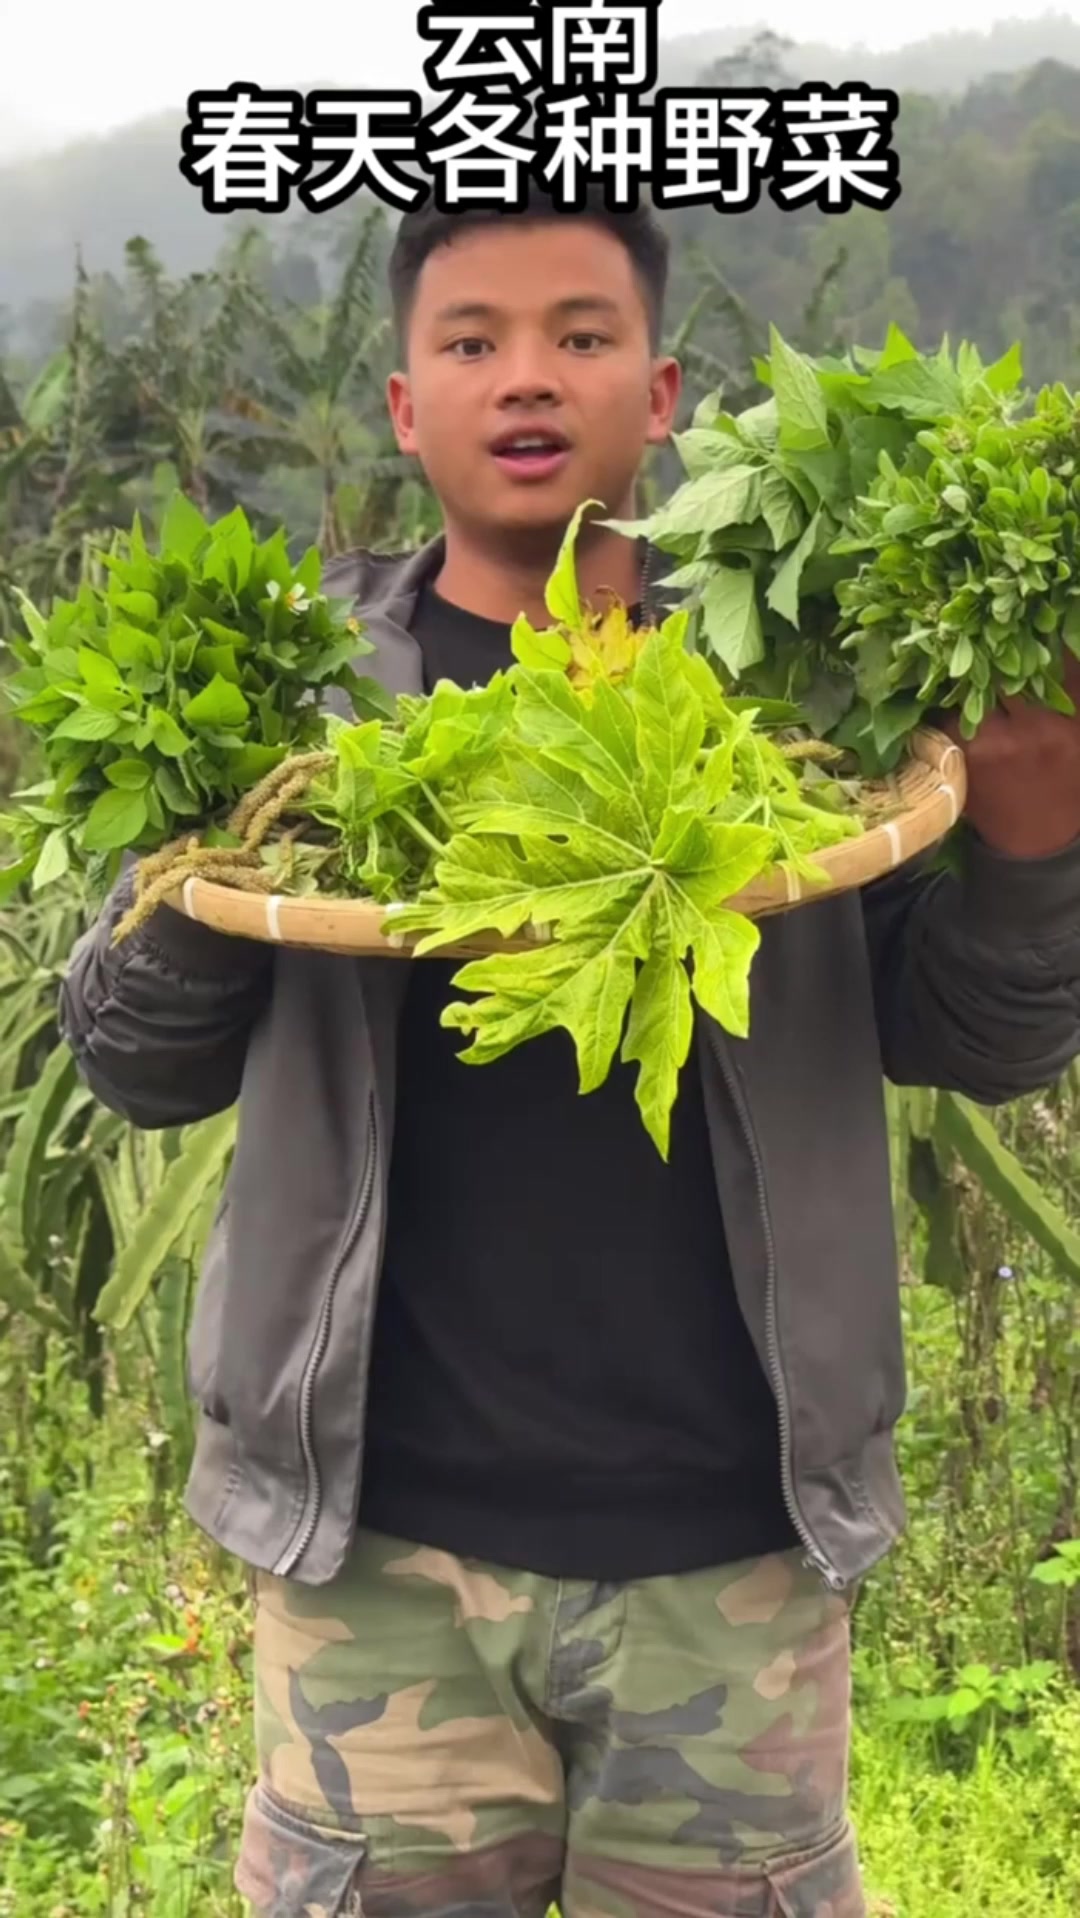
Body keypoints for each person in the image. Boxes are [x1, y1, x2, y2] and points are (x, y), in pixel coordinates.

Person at [59, 185, 1080, 1918]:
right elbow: (135, 1060)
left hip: (733, 1559)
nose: (526, 377)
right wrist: (198, 859)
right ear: (403, 401)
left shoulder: (797, 708)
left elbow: (980, 1039)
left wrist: (1041, 822)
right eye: (472, 341)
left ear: (663, 391)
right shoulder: (310, 697)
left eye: (582, 336)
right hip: (378, 1555)